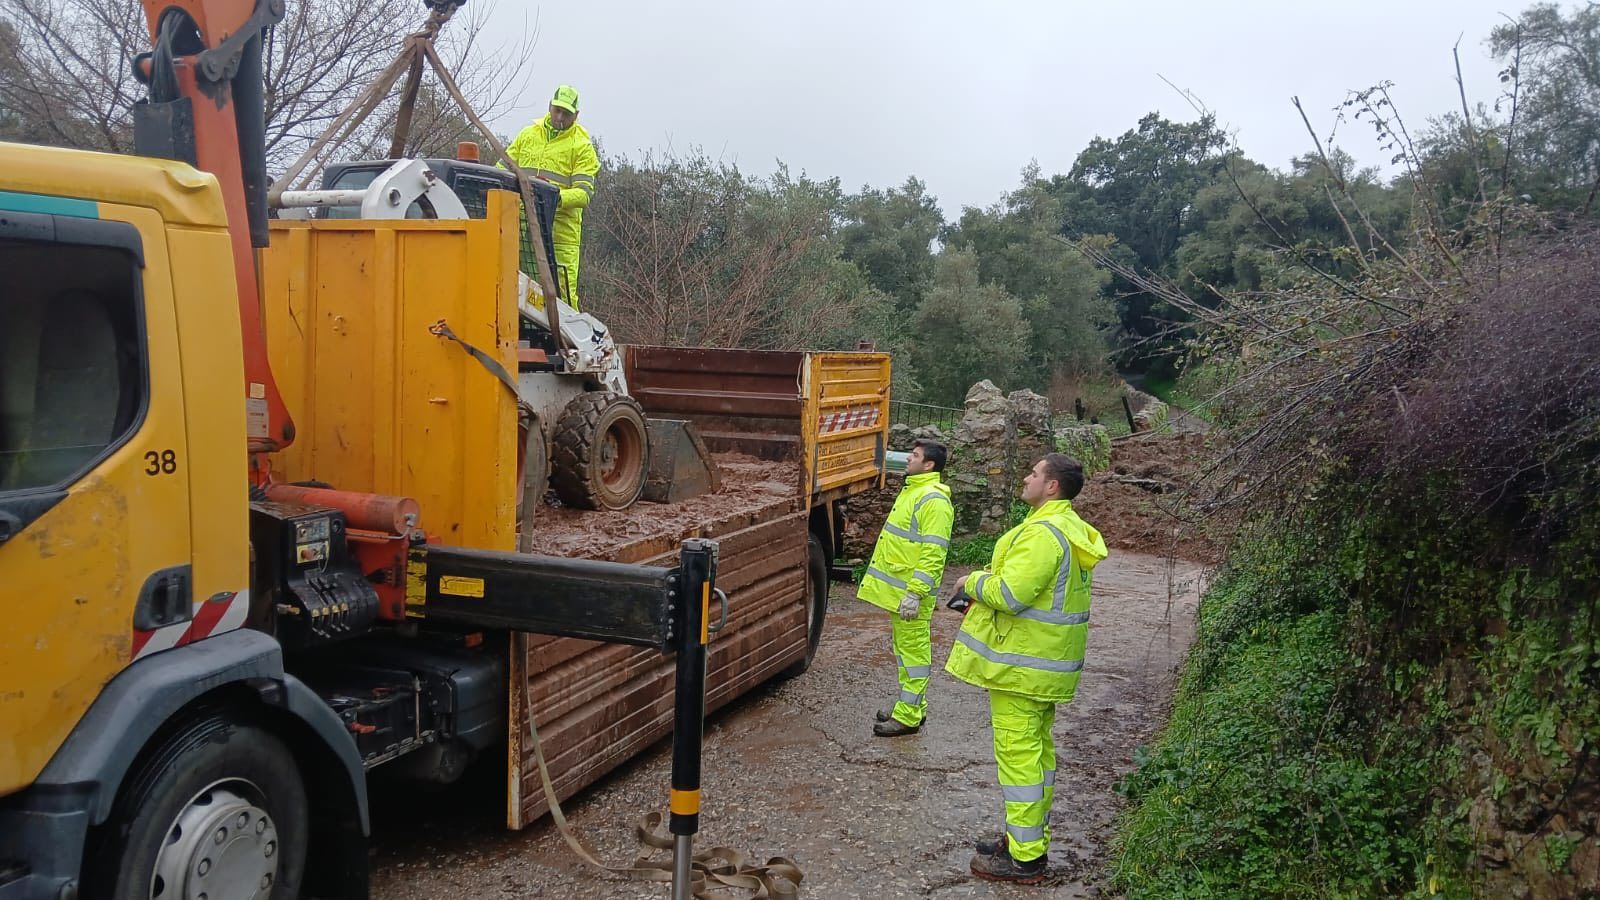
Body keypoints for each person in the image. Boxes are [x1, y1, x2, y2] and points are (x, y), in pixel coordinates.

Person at [945, 453, 1108, 884]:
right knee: (1037, 758)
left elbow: (1012, 594)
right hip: (1042, 667)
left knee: (1019, 761)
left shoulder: (1043, 535)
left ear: (1051, 486)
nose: (1026, 477)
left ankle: (1026, 860)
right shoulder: (1067, 530)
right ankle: (1025, 839)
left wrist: (971, 582)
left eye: (1033, 473)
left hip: (1022, 670)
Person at [856, 439, 954, 737]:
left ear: (929, 465)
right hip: (903, 593)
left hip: (911, 594)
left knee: (913, 654)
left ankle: (909, 716)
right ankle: (911, 705)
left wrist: (916, 593)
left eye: (915, 456)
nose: (908, 459)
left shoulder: (933, 500)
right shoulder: (916, 491)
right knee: (905, 650)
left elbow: (933, 552)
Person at [505, 84, 600, 308]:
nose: (559, 116)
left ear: (576, 115)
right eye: (556, 110)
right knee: (520, 293)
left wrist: (552, 198)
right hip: (522, 230)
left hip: (560, 237)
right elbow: (502, 169)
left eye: (565, 113)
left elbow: (583, 194)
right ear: (549, 106)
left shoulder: (582, 147)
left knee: (563, 298)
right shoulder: (528, 135)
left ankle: (566, 343)